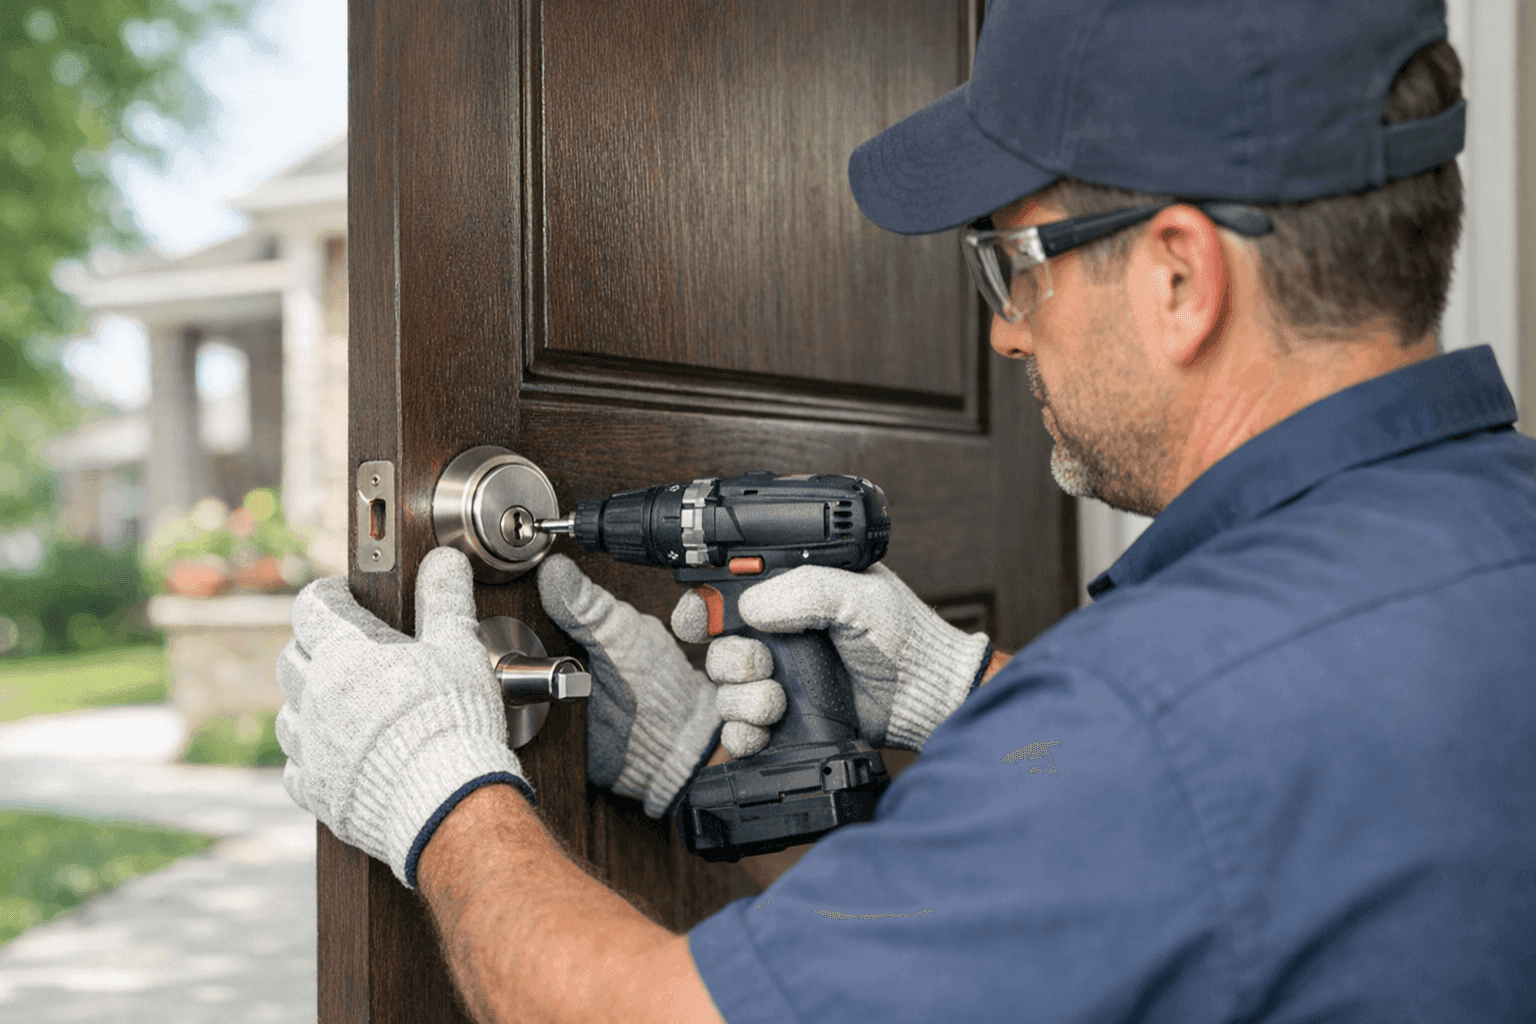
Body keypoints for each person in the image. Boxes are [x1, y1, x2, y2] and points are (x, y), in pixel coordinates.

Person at [274, 0, 1536, 1020]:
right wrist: (971, 699)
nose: (1003, 329)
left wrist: (438, 792)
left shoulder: (1150, 721)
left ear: (1178, 274)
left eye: (1015, 260)